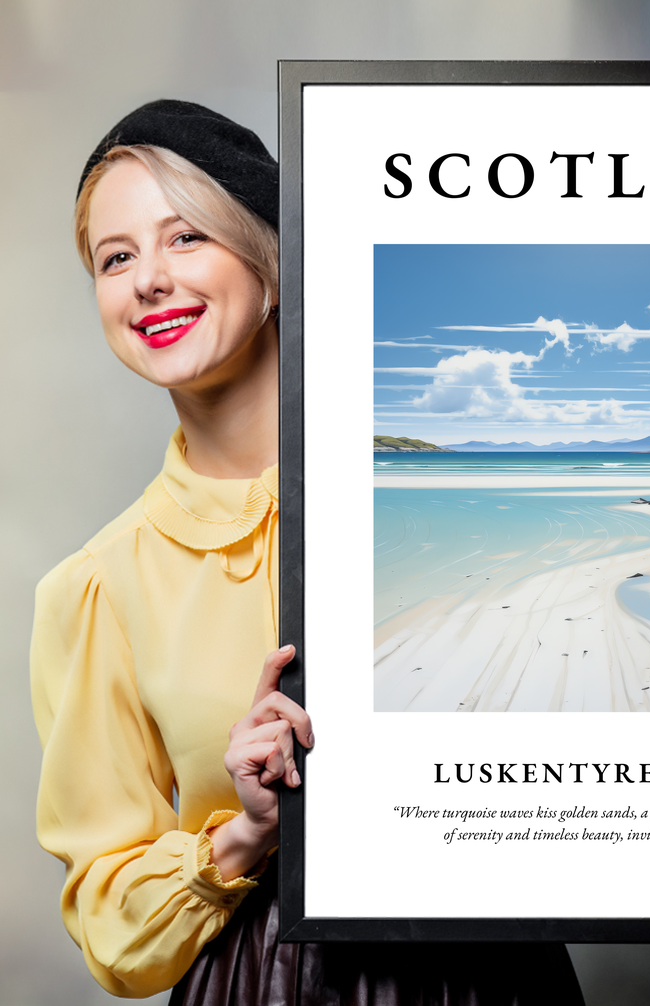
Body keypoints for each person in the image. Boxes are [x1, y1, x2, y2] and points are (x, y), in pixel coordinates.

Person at [30, 100, 585, 1004]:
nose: (148, 281)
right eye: (116, 257)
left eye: (186, 239)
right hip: (262, 981)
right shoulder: (97, 587)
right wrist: (245, 832)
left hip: (493, 972)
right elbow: (110, 924)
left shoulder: (447, 502)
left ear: (274, 264)